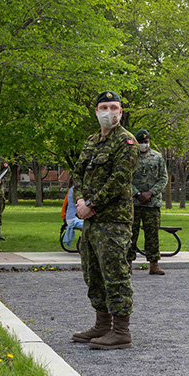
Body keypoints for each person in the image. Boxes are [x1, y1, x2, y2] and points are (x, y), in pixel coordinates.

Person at [71, 90, 138, 350]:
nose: (108, 112)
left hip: (113, 221)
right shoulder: (91, 141)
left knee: (115, 274)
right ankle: (102, 325)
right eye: (104, 107)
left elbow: (119, 179)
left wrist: (91, 205)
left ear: (121, 112)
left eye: (113, 107)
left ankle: (121, 331)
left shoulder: (126, 142)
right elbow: (78, 174)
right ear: (96, 111)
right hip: (91, 222)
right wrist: (80, 201)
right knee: (93, 274)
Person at [127, 129, 169, 275]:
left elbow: (164, 178)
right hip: (134, 203)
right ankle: (127, 264)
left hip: (152, 203)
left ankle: (154, 264)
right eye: (141, 142)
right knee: (130, 234)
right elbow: (125, 179)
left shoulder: (157, 157)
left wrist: (150, 193)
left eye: (146, 142)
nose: (143, 144)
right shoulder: (130, 158)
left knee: (152, 235)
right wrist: (137, 193)